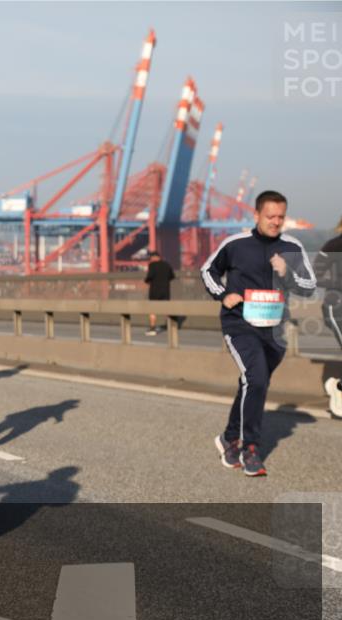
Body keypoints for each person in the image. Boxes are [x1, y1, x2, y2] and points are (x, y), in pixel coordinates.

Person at [201, 190, 317, 476]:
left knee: (253, 383)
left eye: (280, 216)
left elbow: (310, 285)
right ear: (256, 215)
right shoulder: (236, 244)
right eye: (270, 217)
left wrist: (287, 273)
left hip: (275, 330)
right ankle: (250, 447)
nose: (276, 222)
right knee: (256, 377)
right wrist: (224, 294)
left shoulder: (292, 246)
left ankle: (229, 437)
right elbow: (208, 271)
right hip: (239, 325)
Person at [314, 215, 342, 418]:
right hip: (336, 306)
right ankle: (338, 391)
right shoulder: (333, 245)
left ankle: (337, 386)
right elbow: (317, 274)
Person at [144, 250, 176, 335]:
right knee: (166, 308)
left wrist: (147, 281)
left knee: (152, 310)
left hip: (154, 291)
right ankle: (170, 326)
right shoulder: (166, 265)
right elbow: (172, 276)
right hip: (165, 290)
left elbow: (149, 277)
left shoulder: (152, 265)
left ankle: (152, 328)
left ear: (153, 258)